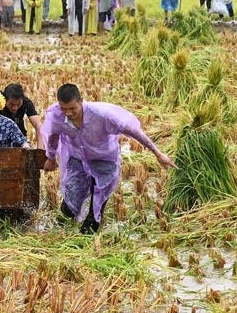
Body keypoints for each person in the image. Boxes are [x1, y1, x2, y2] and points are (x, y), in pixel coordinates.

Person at [43, 83, 175, 234]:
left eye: (72, 108)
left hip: (103, 159)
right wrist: (51, 158)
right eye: (64, 109)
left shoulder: (102, 115)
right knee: (69, 208)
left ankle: (88, 240)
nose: (68, 113)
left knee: (93, 215)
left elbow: (133, 131)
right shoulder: (56, 116)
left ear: (81, 101)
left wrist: (157, 153)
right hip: (77, 158)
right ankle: (62, 230)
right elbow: (53, 135)